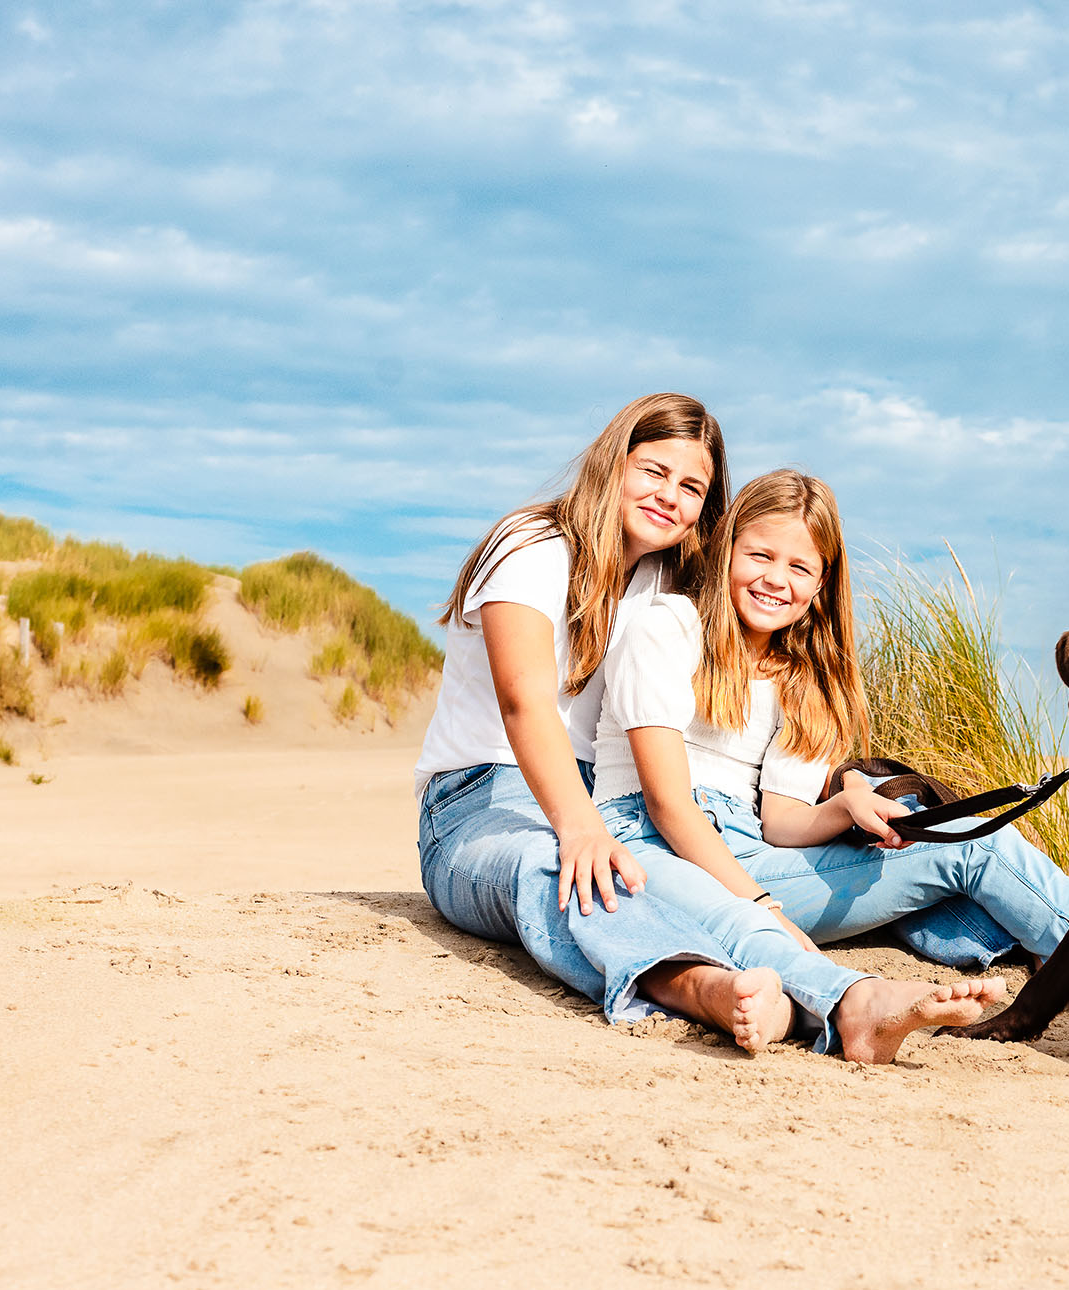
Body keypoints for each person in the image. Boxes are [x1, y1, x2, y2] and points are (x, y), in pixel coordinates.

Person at [416, 394, 1005, 1060]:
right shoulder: (533, 546)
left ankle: (885, 983)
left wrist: (837, 785)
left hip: (595, 805)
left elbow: (758, 636)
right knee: (564, 866)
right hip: (479, 807)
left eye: (691, 486)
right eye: (653, 471)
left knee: (686, 882)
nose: (669, 495)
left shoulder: (667, 577)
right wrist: (579, 827)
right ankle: (710, 990)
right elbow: (523, 701)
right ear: (613, 464)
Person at [589, 468, 1069, 1026]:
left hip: (748, 849)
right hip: (654, 839)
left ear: (823, 583)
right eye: (761, 555)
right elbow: (668, 807)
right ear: (727, 551)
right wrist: (764, 906)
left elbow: (778, 824)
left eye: (801, 568)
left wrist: (847, 805)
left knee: (973, 845)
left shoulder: (805, 677)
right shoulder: (666, 625)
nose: (777, 580)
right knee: (938, 899)